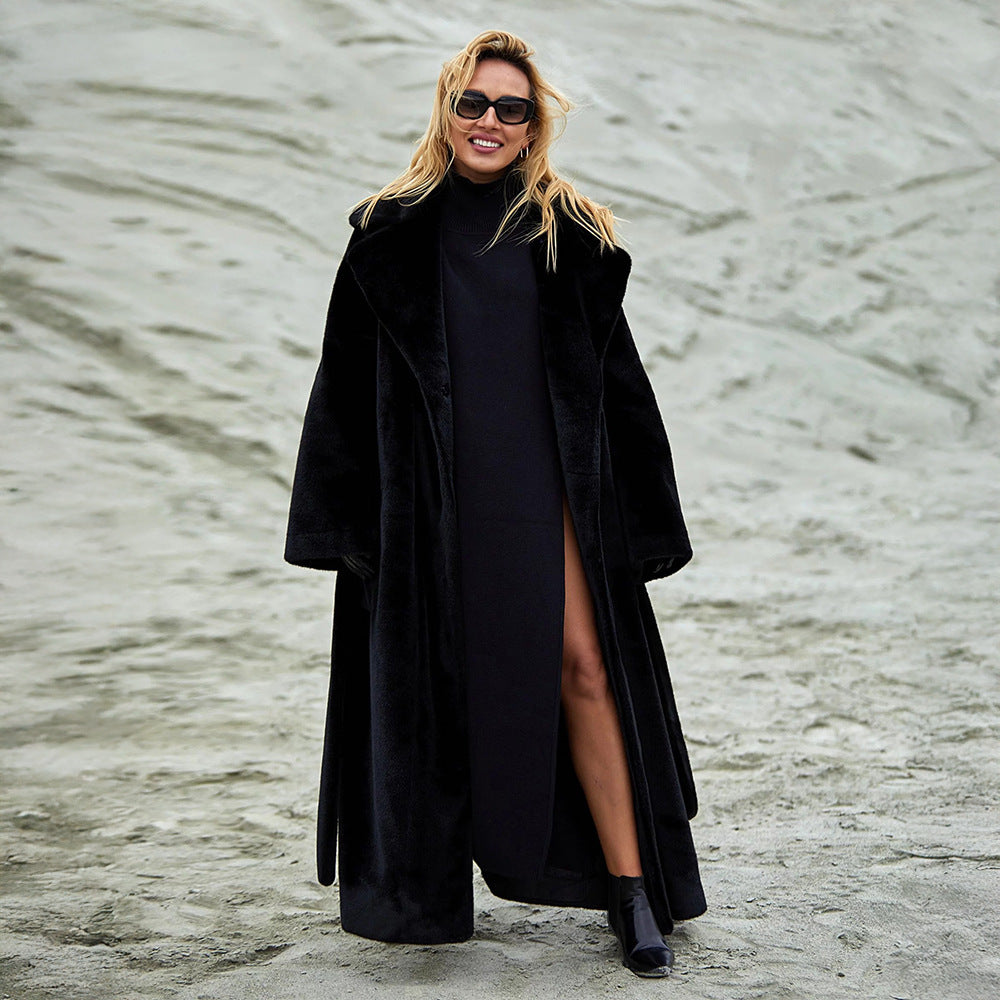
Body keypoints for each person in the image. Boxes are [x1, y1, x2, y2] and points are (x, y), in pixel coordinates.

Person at [284, 29, 706, 978]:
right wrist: (337, 527)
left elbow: (622, 389)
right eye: (472, 103)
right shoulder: (386, 234)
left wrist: (647, 518)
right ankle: (432, 890)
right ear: (447, 111)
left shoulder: (572, 236)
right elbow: (340, 388)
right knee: (433, 688)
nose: (489, 121)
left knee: (585, 669)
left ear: (532, 127)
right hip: (428, 500)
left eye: (511, 108)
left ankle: (631, 889)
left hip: (546, 492)